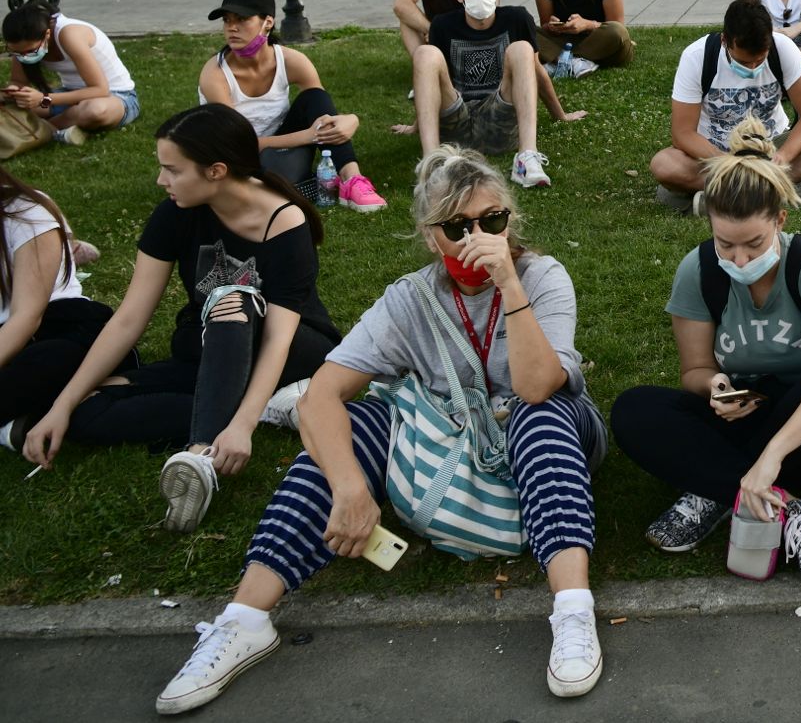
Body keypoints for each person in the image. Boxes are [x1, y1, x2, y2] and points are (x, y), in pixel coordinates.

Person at [152, 146, 608, 711]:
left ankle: (573, 612)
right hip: (447, 437)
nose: (477, 238)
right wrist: (350, 488)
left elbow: (537, 386)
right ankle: (243, 621)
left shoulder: (542, 276)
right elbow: (321, 395)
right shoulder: (411, 298)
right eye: (456, 227)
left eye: (492, 220)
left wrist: (510, 285)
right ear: (431, 237)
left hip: (547, 433)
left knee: (539, 413)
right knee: (360, 421)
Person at [23, 104, 337, 532]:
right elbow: (129, 318)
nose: (161, 180)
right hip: (209, 348)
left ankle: (200, 454)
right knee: (86, 410)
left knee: (232, 299)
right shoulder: (176, 212)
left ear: (216, 171)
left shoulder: (284, 221)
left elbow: (280, 337)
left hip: (294, 349)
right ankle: (257, 406)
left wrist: (241, 427)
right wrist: (62, 405)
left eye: (172, 170)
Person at [613, 116, 801, 583]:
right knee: (634, 410)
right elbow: (695, 369)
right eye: (726, 244)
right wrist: (715, 386)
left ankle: (719, 484)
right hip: (750, 415)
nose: (739, 259)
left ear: (780, 220)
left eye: (754, 244)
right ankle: (791, 508)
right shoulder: (699, 270)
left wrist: (773, 454)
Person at [197, 0, 386, 212]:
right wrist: (309, 136)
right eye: (227, 20)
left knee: (314, 96)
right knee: (262, 180)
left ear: (268, 22)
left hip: (281, 149)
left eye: (242, 19)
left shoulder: (291, 60)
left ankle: (352, 179)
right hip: (235, 158)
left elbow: (320, 108)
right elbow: (237, 144)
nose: (232, 28)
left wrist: (351, 119)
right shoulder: (215, 73)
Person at [652, 0, 801, 211]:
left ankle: (729, 196)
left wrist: (784, 156)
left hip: (771, 147)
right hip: (717, 154)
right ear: (724, 41)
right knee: (664, 164)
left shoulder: (782, 48)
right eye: (744, 62)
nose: (753, 67)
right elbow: (682, 133)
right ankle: (774, 189)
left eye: (760, 60)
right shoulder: (697, 57)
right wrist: (729, 163)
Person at [413, 0, 584, 189]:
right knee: (425, 53)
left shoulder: (517, 18)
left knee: (521, 48)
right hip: (457, 120)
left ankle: (526, 158)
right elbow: (433, 81)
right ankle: (433, 166)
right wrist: (416, 124)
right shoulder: (443, 24)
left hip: (499, 118)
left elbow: (536, 70)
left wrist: (560, 114)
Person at [0, 172, 108, 450]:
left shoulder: (25, 213)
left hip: (55, 325)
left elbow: (26, 318)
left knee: (53, 359)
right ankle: (14, 422)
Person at [1, 4, 140, 148]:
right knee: (14, 105)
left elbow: (100, 90)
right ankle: (65, 128)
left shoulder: (69, 34)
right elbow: (18, 81)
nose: (24, 56)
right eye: (17, 52)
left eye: (31, 51)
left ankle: (45, 131)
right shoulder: (22, 45)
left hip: (115, 96)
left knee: (93, 111)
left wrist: (43, 99)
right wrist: (15, 92)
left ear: (47, 34)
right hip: (68, 97)